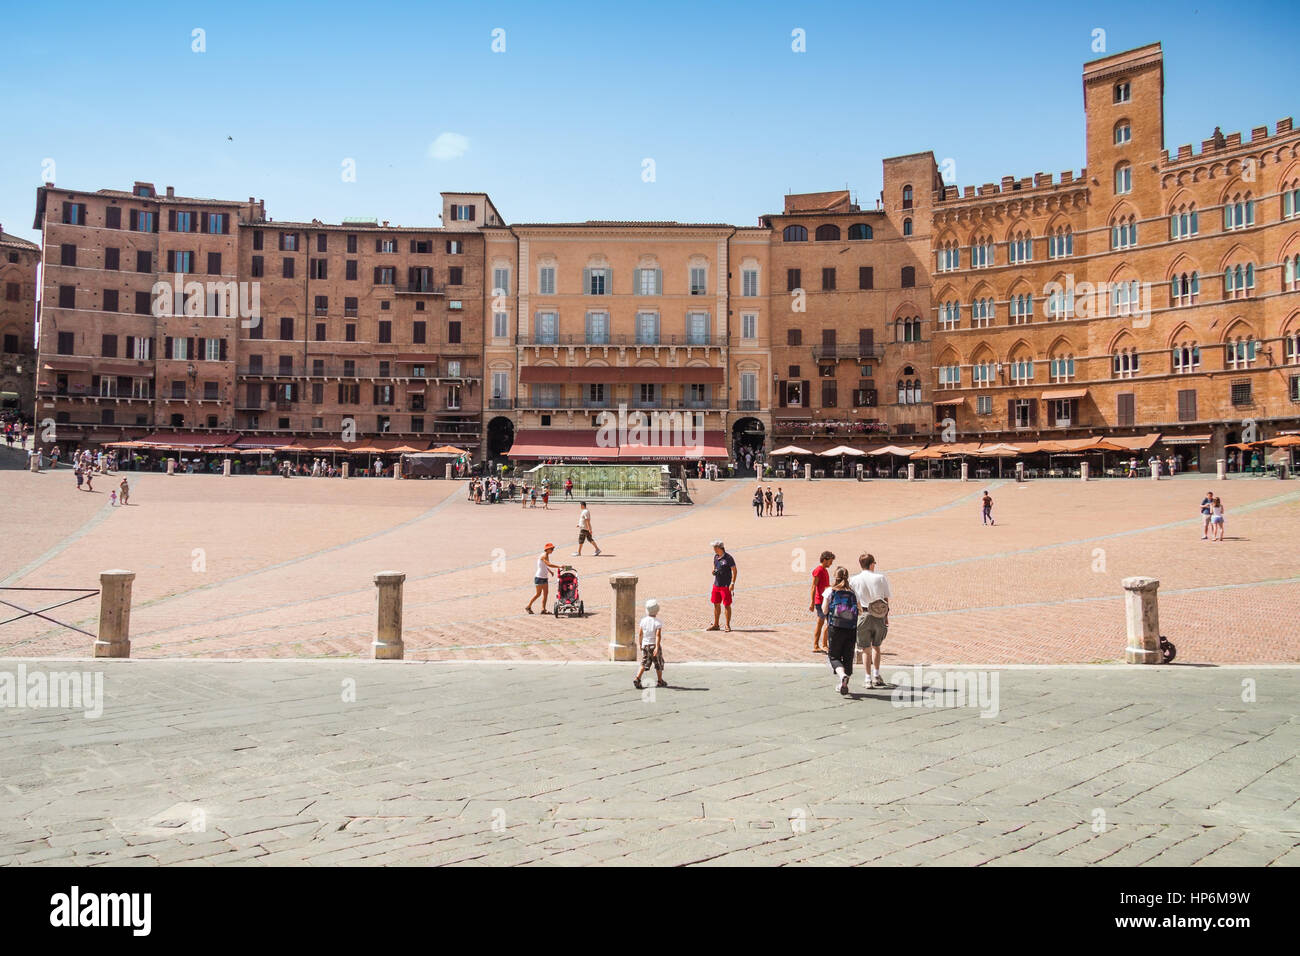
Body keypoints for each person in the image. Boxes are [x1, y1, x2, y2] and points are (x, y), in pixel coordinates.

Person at [850, 553, 892, 689]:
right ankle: (876, 675)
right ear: (872, 564)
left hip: (863, 615)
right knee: (877, 646)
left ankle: (867, 678)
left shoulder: (853, 579)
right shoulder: (880, 578)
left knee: (865, 649)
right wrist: (886, 616)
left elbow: (853, 600)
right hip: (879, 614)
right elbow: (886, 599)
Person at [822, 567, 860, 695]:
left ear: (835, 577)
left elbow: (824, 610)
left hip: (835, 627)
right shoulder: (853, 592)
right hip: (851, 628)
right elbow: (859, 609)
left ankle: (842, 676)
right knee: (848, 657)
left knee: (834, 656)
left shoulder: (830, 591)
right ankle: (844, 683)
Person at [633, 598, 667, 690]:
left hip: (645, 645)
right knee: (658, 663)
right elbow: (658, 635)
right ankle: (660, 681)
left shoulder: (643, 621)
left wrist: (640, 644)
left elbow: (640, 633)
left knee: (644, 662)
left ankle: (637, 678)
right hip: (654, 645)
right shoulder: (658, 622)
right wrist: (656, 647)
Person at [706, 540, 737, 633]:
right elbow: (714, 566)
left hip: (725, 585)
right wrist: (713, 571)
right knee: (716, 604)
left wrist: (732, 584)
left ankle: (727, 625)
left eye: (715, 547)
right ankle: (716, 624)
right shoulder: (716, 557)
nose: (714, 549)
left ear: (719, 548)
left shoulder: (729, 558)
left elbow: (735, 571)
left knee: (727, 605)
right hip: (716, 585)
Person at [525, 543, 562, 614]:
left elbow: (544, 566)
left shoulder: (546, 555)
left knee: (546, 594)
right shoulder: (544, 556)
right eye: (551, 549)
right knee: (538, 594)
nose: (552, 550)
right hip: (539, 577)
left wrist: (550, 571)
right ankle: (528, 606)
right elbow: (548, 564)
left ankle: (543, 609)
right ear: (547, 549)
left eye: (553, 549)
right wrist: (559, 566)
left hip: (544, 577)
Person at [810, 550, 834, 654]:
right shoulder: (818, 570)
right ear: (825, 560)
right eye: (830, 561)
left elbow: (826, 586)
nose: (831, 563)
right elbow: (813, 587)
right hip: (820, 601)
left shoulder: (825, 570)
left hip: (826, 600)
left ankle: (824, 644)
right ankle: (816, 645)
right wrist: (812, 603)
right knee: (820, 623)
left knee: (829, 623)